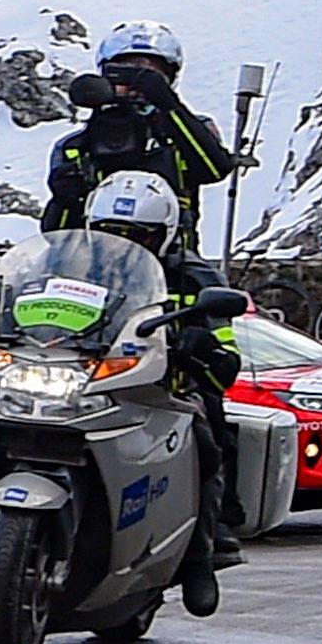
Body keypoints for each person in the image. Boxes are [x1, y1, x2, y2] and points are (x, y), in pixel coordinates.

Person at [79, 167, 249, 576]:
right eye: (110, 232)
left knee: (206, 440)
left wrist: (203, 345)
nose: (123, 244)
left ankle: (204, 550)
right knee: (1, 413)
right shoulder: (71, 267)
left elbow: (226, 358)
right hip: (83, 385)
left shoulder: (195, 278)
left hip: (165, 391)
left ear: (165, 234)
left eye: (138, 235)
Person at [42, 23, 237, 251]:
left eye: (151, 73)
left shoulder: (189, 133)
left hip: (171, 261)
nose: (137, 83)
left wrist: (167, 103)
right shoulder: (75, 146)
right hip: (93, 262)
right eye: (126, 72)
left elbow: (215, 169)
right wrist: (64, 199)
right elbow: (55, 237)